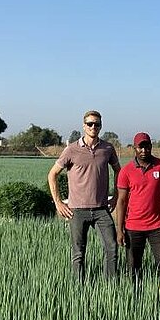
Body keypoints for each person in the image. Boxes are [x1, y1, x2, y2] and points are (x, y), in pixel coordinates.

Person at [48, 110, 121, 280]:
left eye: (96, 124)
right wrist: (58, 202)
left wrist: (116, 195)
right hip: (77, 210)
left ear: (101, 126)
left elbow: (119, 171)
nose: (93, 127)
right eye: (90, 124)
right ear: (84, 126)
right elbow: (52, 174)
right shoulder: (71, 150)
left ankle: (110, 286)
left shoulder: (107, 148)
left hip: (102, 209)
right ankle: (78, 288)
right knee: (78, 252)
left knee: (112, 247)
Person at [115, 132, 160, 280]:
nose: (144, 151)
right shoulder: (126, 171)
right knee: (133, 266)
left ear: (151, 146)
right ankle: (136, 295)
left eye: (147, 147)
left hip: (158, 225)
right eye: (140, 147)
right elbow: (121, 201)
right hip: (133, 226)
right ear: (135, 148)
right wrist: (119, 229)